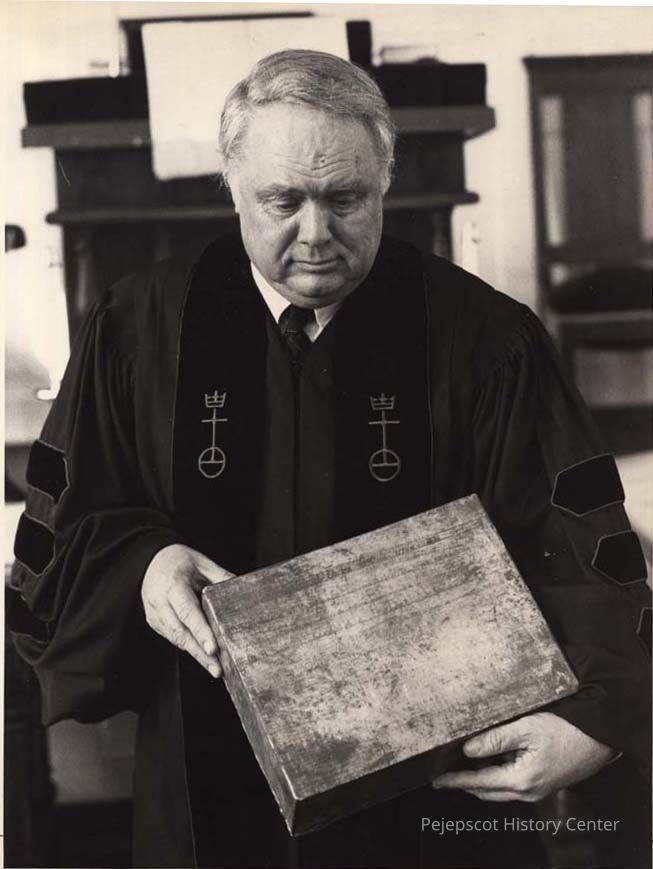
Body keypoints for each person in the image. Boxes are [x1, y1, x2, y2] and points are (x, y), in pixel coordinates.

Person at [10, 49, 650, 869]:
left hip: (441, 804)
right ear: (232, 186)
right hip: (210, 799)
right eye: (282, 200)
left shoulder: (486, 339)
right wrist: (143, 563)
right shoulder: (136, 330)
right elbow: (65, 534)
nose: (315, 233)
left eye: (344, 198)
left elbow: (579, 549)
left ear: (384, 181)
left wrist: (592, 724)